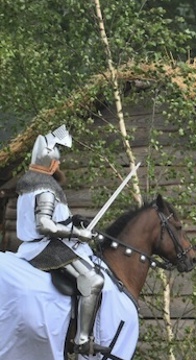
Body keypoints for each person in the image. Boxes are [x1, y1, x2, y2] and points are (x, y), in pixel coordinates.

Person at [15, 125, 107, 355]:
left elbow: (58, 220)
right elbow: (44, 225)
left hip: (32, 246)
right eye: (58, 162)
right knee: (93, 280)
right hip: (45, 248)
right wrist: (78, 234)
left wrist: (75, 223)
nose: (60, 166)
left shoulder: (30, 183)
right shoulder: (45, 186)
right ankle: (82, 340)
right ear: (51, 163)